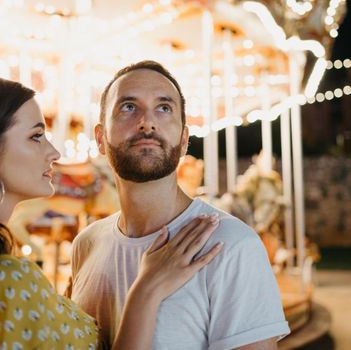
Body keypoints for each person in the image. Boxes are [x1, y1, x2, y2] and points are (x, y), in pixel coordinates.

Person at [0, 77, 223, 349]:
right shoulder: (4, 278)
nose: (54, 151)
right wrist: (147, 289)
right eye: (36, 136)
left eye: (164, 108)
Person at [69, 61, 290, 349]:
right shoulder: (86, 244)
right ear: (100, 138)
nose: (147, 122)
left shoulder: (231, 244)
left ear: (184, 139)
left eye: (164, 108)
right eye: (128, 107)